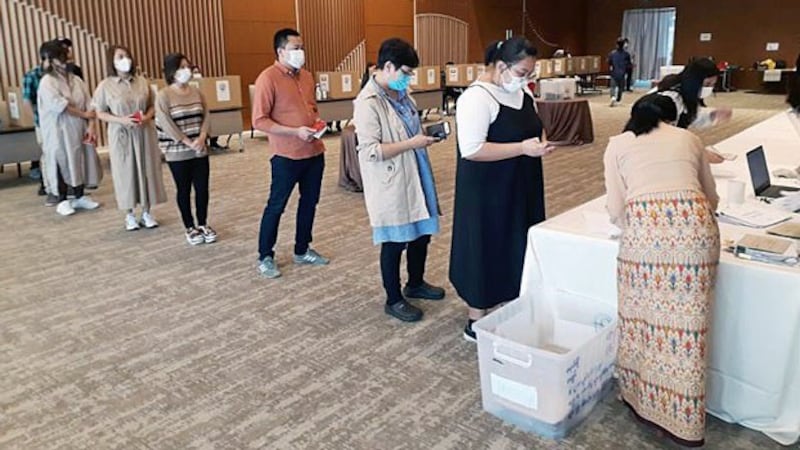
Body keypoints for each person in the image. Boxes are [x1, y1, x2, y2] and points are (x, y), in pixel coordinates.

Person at [604, 93, 720, 447]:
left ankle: (641, 400)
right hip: (696, 233)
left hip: (646, 234)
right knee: (687, 333)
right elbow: (710, 195)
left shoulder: (618, 144)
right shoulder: (689, 138)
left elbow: (615, 206)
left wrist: (637, 228)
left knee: (641, 319)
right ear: (671, 119)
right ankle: (683, 421)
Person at [451, 37, 555, 341]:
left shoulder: (521, 92)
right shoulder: (476, 98)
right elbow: (472, 149)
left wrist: (538, 143)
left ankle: (511, 302)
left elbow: (533, 126)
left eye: (529, 73)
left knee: (516, 240)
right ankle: (477, 317)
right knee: (486, 242)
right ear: (501, 66)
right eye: (522, 72)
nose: (526, 78)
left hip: (522, 181)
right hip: (487, 187)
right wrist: (522, 148)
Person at [353, 38, 444, 322]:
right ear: (388, 67)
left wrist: (423, 137)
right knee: (394, 241)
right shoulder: (368, 103)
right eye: (406, 72)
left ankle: (415, 282)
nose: (409, 78)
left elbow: (407, 131)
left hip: (415, 171)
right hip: (390, 180)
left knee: (421, 232)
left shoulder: (404, 95)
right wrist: (412, 143)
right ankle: (393, 299)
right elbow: (369, 152)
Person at [253, 28, 329, 279]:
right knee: (277, 205)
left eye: (302, 47)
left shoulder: (306, 77)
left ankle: (302, 248)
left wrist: (317, 123)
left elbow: (311, 108)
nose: (301, 52)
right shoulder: (268, 78)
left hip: (314, 151)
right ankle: (265, 255)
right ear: (281, 51)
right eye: (295, 48)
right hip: (286, 155)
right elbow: (259, 121)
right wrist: (294, 132)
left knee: (310, 203)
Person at [94, 45, 167, 231]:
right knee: (125, 173)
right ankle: (129, 214)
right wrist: (121, 120)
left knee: (147, 170)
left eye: (127, 56)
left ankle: (147, 211)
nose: (125, 59)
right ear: (112, 61)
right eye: (120, 57)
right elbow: (100, 112)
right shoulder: (105, 85)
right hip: (122, 135)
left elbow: (152, 105)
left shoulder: (142, 82)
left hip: (144, 132)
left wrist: (147, 117)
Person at [155, 53, 217, 245]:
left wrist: (201, 137)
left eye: (188, 66)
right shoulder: (164, 95)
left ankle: (203, 223)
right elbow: (166, 123)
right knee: (184, 189)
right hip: (177, 152)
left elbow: (206, 116)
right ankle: (189, 226)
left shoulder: (197, 92)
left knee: (202, 188)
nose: (186, 71)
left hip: (199, 149)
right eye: (182, 67)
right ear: (172, 71)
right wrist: (187, 141)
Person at [37, 41, 101, 216]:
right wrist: (84, 115)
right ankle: (62, 199)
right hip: (58, 131)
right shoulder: (47, 82)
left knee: (79, 160)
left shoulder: (77, 80)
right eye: (61, 57)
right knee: (61, 160)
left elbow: (90, 104)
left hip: (78, 128)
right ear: (52, 60)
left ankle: (79, 195)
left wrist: (92, 126)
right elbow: (61, 106)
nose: (66, 60)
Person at [655, 57, 733, 163]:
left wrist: (713, 115)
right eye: (707, 85)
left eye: (712, 86)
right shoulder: (669, 98)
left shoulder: (686, 95)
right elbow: (662, 135)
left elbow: (690, 118)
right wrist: (697, 153)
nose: (708, 89)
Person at [21, 42, 50, 199]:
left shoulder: (60, 76)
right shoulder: (32, 76)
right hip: (43, 123)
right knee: (47, 154)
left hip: (62, 123)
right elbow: (26, 102)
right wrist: (37, 121)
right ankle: (47, 185)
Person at [608, 37, 631, 106]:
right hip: (622, 73)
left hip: (614, 72)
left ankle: (612, 97)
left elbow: (609, 62)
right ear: (623, 45)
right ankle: (618, 99)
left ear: (616, 45)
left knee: (612, 86)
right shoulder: (626, 54)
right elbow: (628, 64)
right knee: (621, 87)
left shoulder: (612, 53)